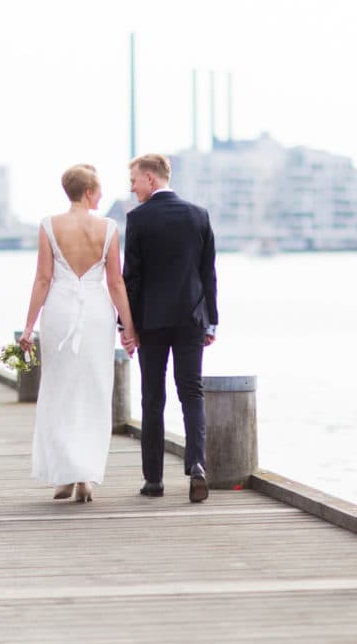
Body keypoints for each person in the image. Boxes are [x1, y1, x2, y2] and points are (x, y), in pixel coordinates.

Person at [19, 164, 136, 503]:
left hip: (59, 309)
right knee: (94, 389)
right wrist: (129, 327)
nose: (100, 195)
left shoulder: (48, 225)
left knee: (59, 389)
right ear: (88, 191)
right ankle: (85, 476)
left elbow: (43, 279)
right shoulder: (109, 228)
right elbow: (115, 282)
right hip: (97, 312)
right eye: (98, 189)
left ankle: (64, 477)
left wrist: (28, 326)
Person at [122, 154, 218, 503]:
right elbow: (208, 273)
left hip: (152, 321)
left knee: (153, 398)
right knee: (191, 393)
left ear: (150, 178)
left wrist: (126, 325)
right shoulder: (198, 215)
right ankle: (197, 466)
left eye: (134, 180)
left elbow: (130, 278)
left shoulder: (138, 219)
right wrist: (212, 320)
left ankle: (154, 481)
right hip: (192, 318)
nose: (132, 188)